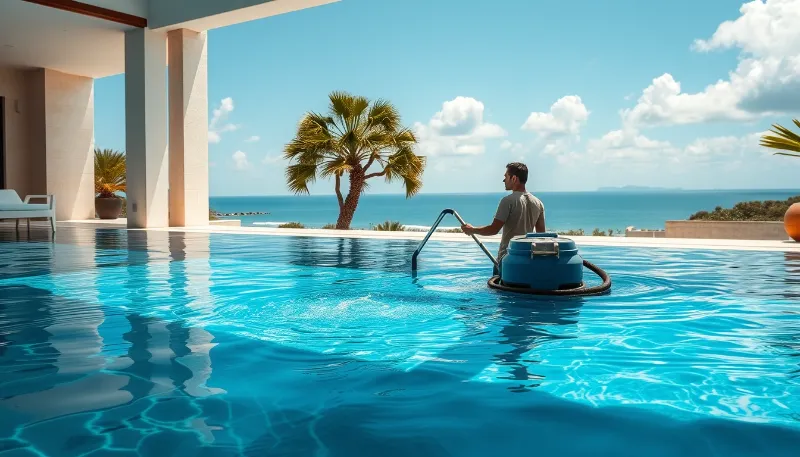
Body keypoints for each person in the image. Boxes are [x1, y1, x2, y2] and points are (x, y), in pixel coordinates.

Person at [461, 162, 546, 272]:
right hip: (527, 260)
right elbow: (542, 237)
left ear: (514, 178)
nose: (504, 180)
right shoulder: (538, 203)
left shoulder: (507, 201)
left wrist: (472, 230)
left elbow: (494, 229)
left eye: (506, 176)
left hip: (507, 259)